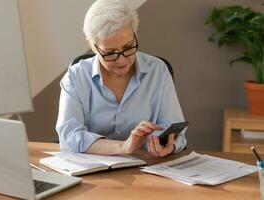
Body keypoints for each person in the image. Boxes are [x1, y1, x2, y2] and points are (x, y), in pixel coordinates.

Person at [56, 0, 187, 157]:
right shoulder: (75, 77)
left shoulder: (158, 71)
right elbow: (69, 136)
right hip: (92, 171)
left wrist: (169, 145)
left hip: (147, 169)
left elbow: (177, 133)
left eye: (128, 47)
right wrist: (123, 146)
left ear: (135, 35)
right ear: (91, 45)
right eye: (110, 53)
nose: (122, 60)